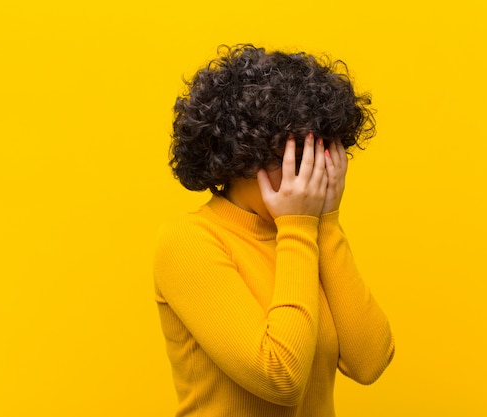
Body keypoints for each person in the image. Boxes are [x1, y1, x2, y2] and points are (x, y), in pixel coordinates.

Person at [154, 44, 395, 417]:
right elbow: (279, 376)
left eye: (324, 154)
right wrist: (299, 226)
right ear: (245, 155)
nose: (315, 172)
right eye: (299, 158)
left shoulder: (304, 233)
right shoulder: (191, 240)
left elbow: (370, 361)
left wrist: (326, 221)